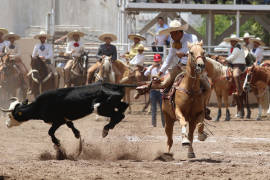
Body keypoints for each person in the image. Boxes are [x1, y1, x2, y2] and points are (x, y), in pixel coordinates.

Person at [135, 19, 211, 120]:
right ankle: (149, 87)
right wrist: (160, 73)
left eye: (173, 33)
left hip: (195, 68)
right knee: (164, 83)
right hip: (180, 66)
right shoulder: (173, 41)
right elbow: (169, 57)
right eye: (170, 33)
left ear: (179, 32)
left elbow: (198, 52)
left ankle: (204, 109)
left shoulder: (192, 38)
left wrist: (184, 54)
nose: (171, 36)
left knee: (208, 87)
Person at [144, 54, 165, 127]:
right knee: (153, 108)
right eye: (156, 61)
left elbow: (167, 75)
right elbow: (145, 74)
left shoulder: (163, 68)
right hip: (153, 90)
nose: (157, 62)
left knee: (163, 109)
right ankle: (153, 124)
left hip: (161, 90)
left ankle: (164, 124)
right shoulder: (151, 67)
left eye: (158, 61)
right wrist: (151, 67)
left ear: (160, 60)